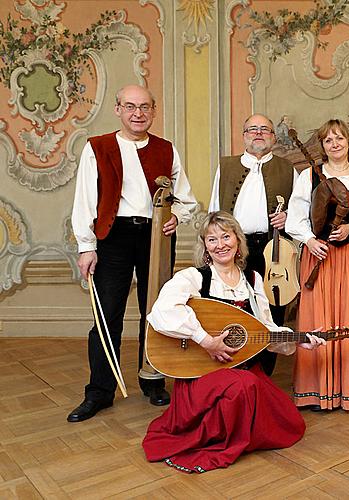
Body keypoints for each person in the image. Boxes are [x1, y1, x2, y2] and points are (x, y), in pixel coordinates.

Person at [142, 211, 324, 473]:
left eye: (226, 237)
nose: (220, 245)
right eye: (212, 239)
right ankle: (217, 438)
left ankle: (237, 430)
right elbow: (161, 311)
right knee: (245, 385)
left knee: (289, 421)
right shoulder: (195, 277)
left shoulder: (252, 280)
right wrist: (205, 340)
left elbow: (263, 330)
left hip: (240, 367)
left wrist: (298, 341)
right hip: (200, 373)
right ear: (205, 246)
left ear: (238, 240)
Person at [68, 84, 197, 422]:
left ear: (153, 111)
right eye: (130, 106)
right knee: (106, 316)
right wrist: (86, 246)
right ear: (118, 110)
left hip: (156, 236)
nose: (138, 113)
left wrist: (176, 217)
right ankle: (99, 391)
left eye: (144, 107)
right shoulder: (98, 147)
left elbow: (187, 199)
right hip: (112, 236)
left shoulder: (167, 149)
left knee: (155, 310)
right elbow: (84, 201)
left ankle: (152, 379)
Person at [285, 118, 349, 411]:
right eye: (329, 140)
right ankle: (316, 391)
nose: (335, 144)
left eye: (340, 138)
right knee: (317, 316)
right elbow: (296, 216)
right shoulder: (308, 176)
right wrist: (309, 240)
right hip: (320, 254)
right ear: (322, 146)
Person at [208, 113, 298, 375]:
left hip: (274, 250)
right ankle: (233, 370)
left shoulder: (288, 169)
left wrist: (288, 217)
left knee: (273, 308)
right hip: (234, 249)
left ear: (273, 136)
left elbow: (302, 211)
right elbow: (214, 210)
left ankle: (263, 374)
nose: (258, 133)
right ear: (244, 135)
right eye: (252, 129)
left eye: (265, 130)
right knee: (234, 306)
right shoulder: (225, 167)